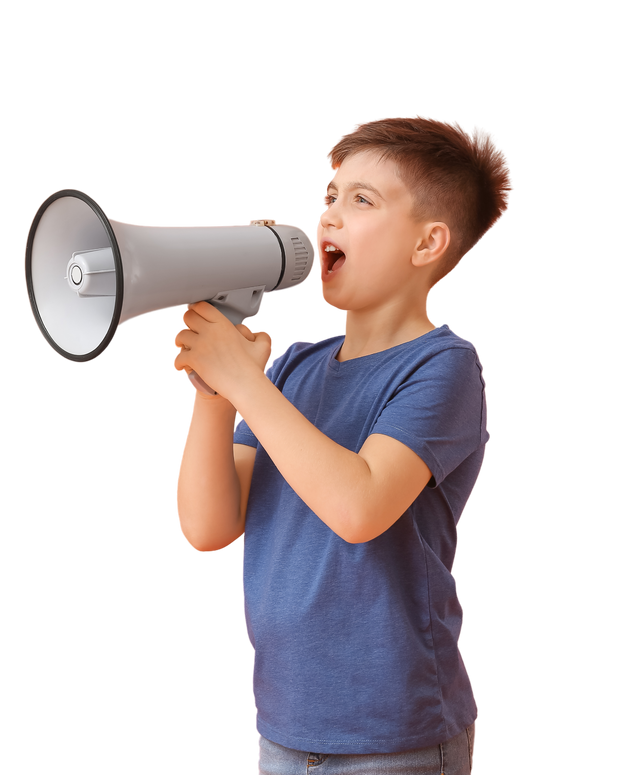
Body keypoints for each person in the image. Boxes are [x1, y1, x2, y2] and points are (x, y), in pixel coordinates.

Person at [172, 115, 509, 775]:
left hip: (395, 736)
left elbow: (359, 506)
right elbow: (209, 524)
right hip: (284, 725)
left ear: (428, 243)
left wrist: (246, 381)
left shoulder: (442, 367)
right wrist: (215, 394)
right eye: (330, 195)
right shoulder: (293, 371)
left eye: (361, 200)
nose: (327, 217)